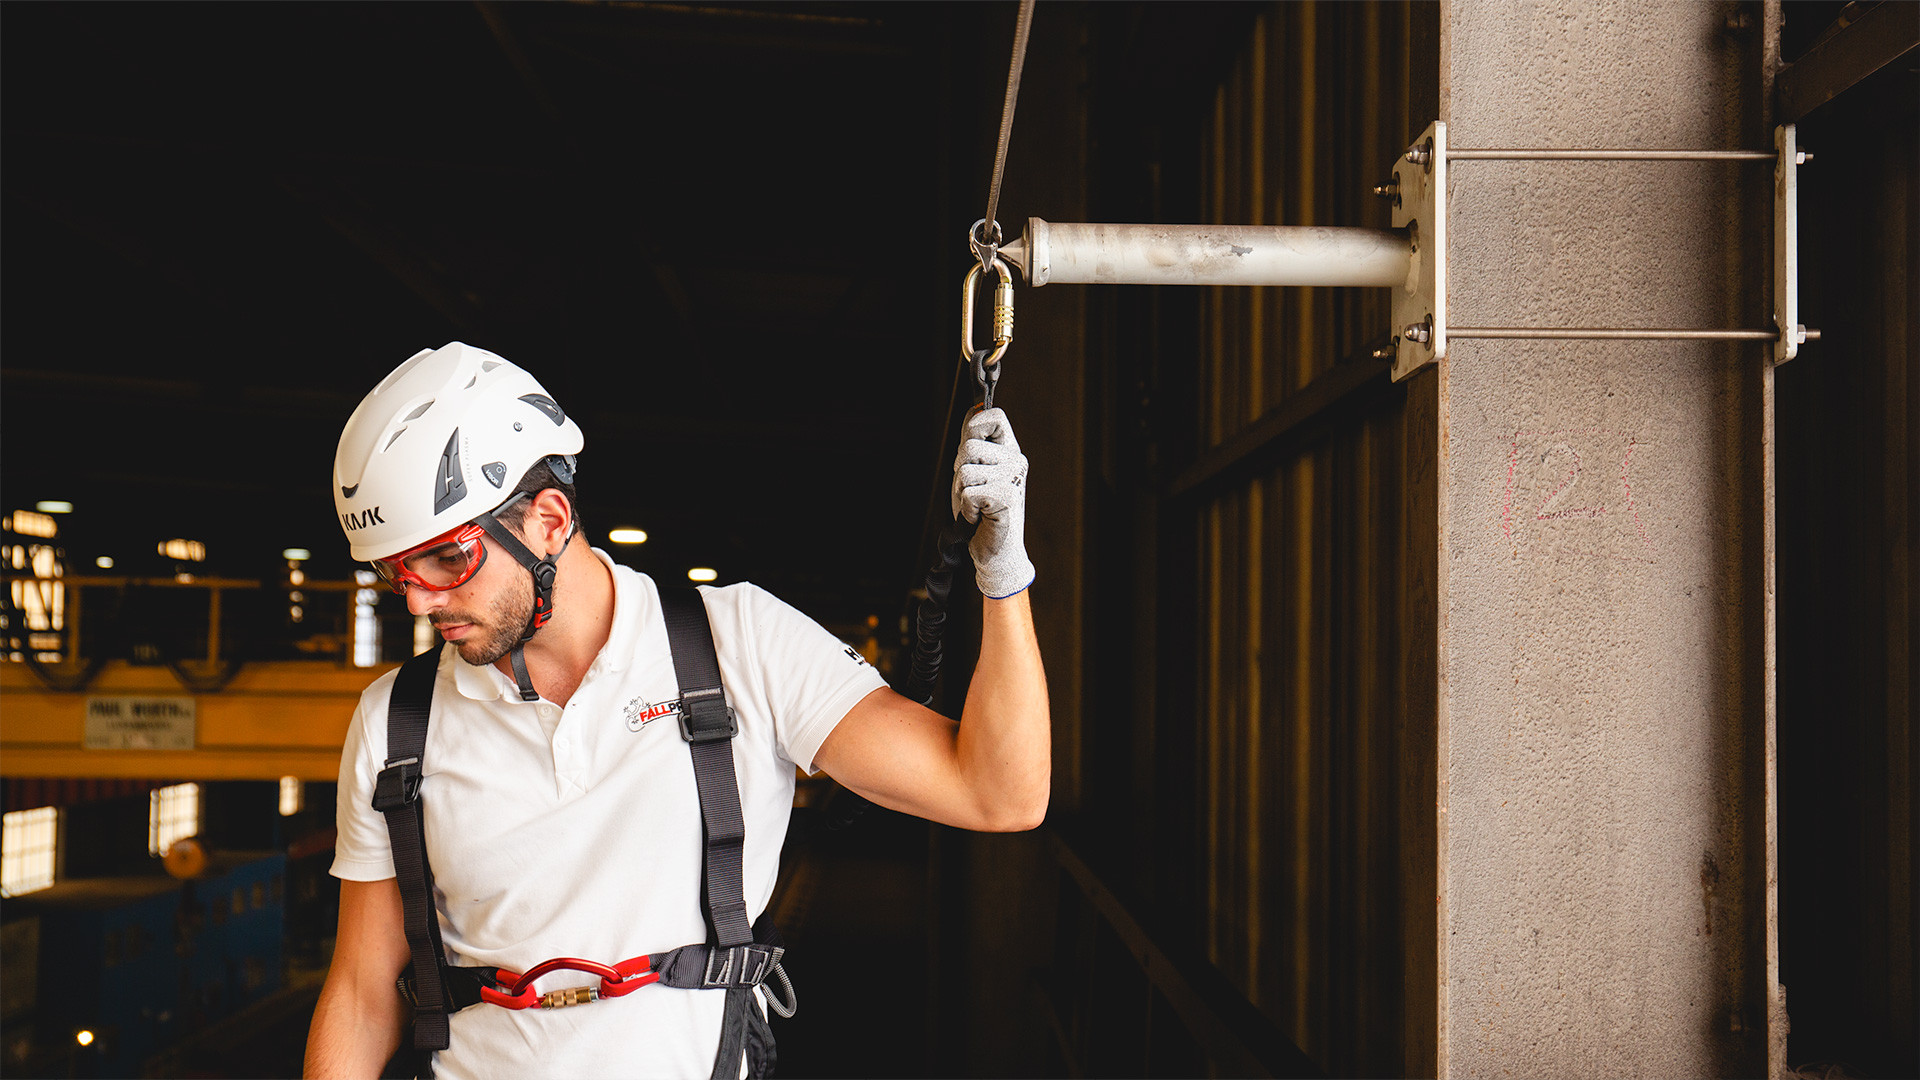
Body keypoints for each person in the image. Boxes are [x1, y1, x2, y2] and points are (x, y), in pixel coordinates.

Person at [303, 342, 1049, 1080]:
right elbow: (365, 995)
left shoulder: (741, 646)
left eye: (448, 559)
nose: (419, 600)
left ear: (551, 521)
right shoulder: (395, 723)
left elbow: (998, 791)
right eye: (395, 572)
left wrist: (1003, 570)